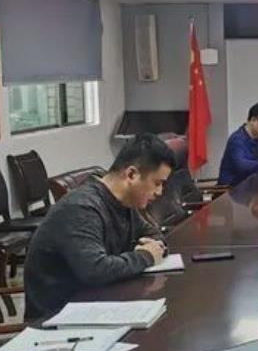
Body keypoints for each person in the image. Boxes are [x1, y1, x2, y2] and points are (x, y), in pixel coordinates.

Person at [23, 134, 170, 320]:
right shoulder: (81, 208)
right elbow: (96, 270)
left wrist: (153, 248)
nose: (159, 192)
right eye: (157, 183)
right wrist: (146, 256)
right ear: (131, 175)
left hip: (99, 305)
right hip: (58, 319)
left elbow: (154, 236)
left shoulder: (124, 203)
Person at [217, 101, 258, 187]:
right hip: (232, 189)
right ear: (253, 120)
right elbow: (243, 167)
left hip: (249, 185)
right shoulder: (237, 139)